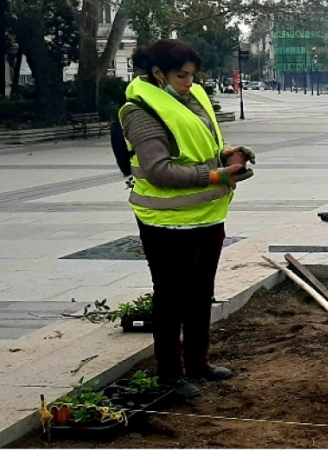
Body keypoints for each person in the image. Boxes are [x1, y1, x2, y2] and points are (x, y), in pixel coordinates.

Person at [120, 39, 255, 399]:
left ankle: (198, 362)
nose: (189, 82)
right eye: (182, 76)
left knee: (201, 294)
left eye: (193, 75)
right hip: (167, 223)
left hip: (208, 215)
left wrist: (228, 156)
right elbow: (159, 170)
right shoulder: (140, 111)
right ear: (158, 73)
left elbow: (199, 149)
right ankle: (170, 375)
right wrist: (216, 177)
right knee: (171, 299)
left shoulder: (191, 100)